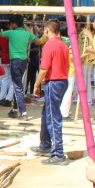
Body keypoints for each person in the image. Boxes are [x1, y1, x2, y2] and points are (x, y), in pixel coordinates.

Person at [30, 20, 70, 165]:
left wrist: (36, 84)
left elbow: (44, 69)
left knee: (53, 117)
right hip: (61, 81)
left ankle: (58, 154)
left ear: (47, 31)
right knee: (47, 113)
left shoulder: (49, 45)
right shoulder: (63, 44)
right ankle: (45, 144)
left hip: (54, 82)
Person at [0, 14, 47, 119]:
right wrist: (45, 33)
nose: (10, 25)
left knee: (18, 87)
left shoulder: (10, 33)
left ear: (14, 24)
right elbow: (40, 41)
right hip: (24, 62)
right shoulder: (27, 34)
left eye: (11, 24)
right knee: (19, 86)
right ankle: (15, 109)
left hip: (15, 62)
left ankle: (23, 112)